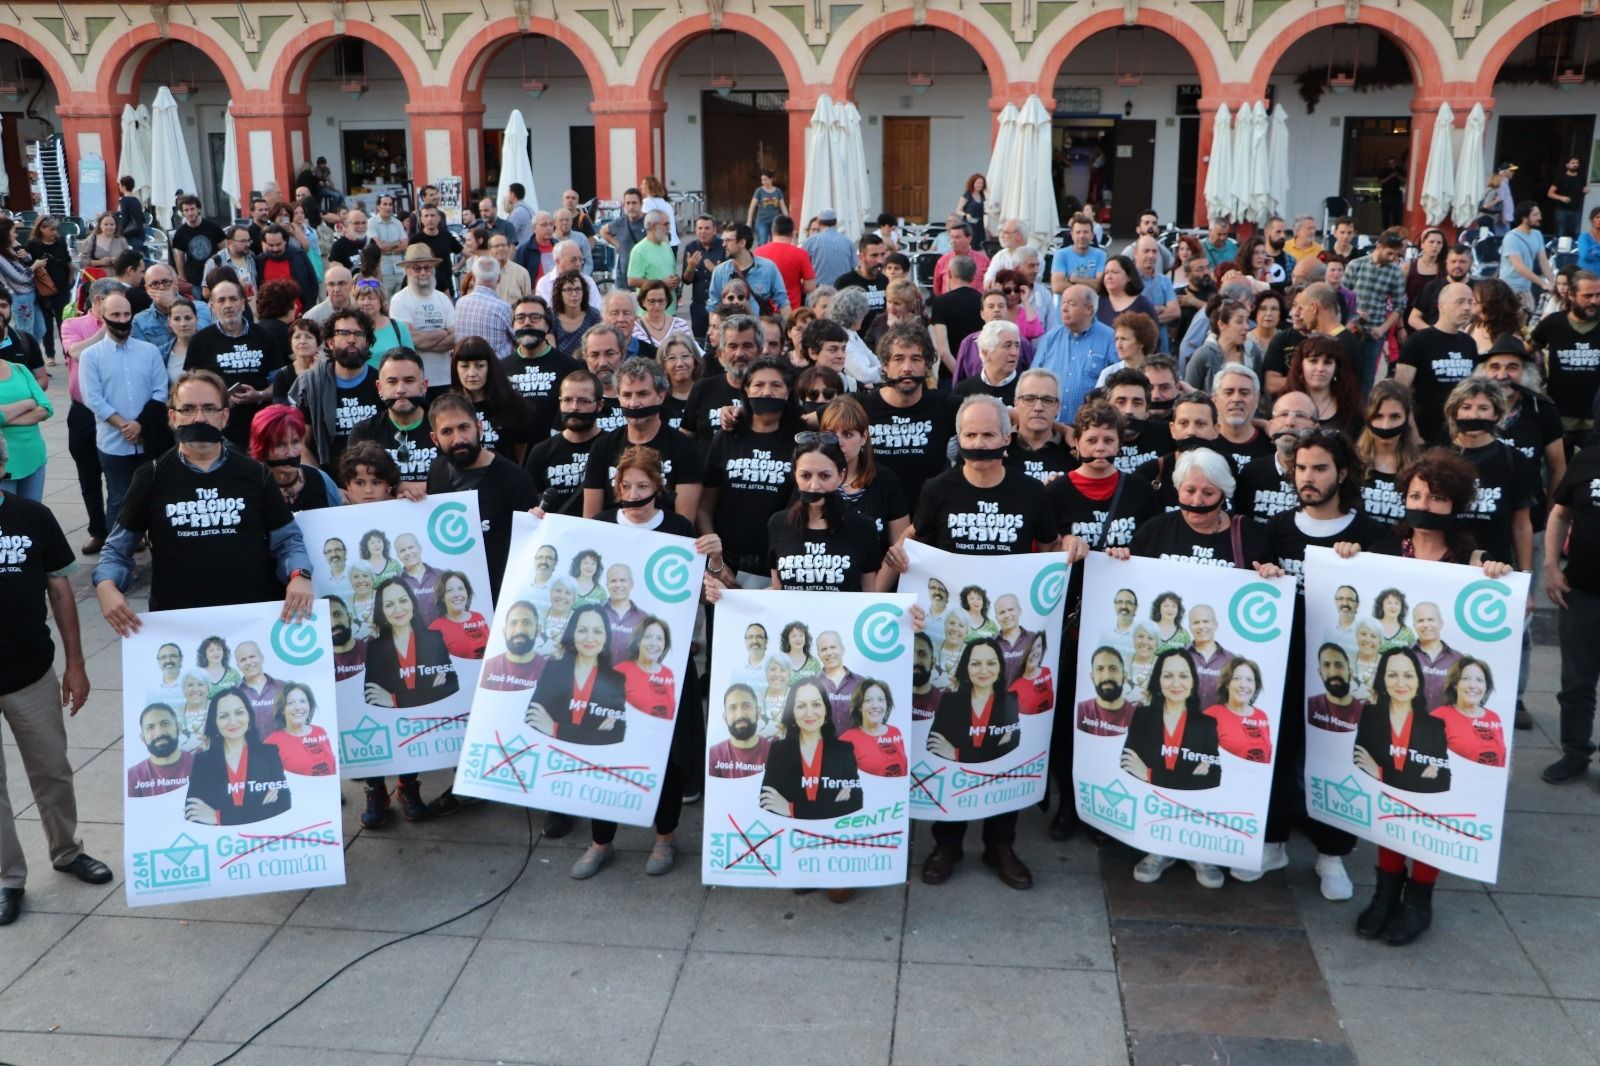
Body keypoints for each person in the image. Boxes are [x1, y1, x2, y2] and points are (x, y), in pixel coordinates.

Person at [883, 394, 1083, 890]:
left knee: (1003, 735)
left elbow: (1051, 546)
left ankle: (1000, 843)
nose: (979, 445)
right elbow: (913, 540)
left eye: (988, 435)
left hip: (1009, 644)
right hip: (953, 642)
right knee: (953, 732)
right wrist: (900, 555)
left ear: (1006, 438)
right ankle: (945, 843)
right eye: (970, 436)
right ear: (959, 441)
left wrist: (1072, 547)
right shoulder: (937, 489)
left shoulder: (1032, 493)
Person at [92, 370, 315, 630]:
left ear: (225, 416)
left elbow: (288, 540)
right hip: (179, 625)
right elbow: (117, 550)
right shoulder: (150, 477)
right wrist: (106, 586)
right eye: (188, 409)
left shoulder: (255, 474)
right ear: (173, 417)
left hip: (251, 622)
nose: (199, 418)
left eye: (209, 408)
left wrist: (300, 575)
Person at [0, 430, 106, 926]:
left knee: (53, 771)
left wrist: (77, 665)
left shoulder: (33, 516)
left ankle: (66, 851)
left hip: (30, 673)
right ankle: (7, 879)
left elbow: (62, 594)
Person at [1122, 649, 1224, 884]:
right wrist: (1186, 778)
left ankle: (1198, 854)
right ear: (1157, 680)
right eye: (1168, 675)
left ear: (1192, 681)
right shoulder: (1142, 716)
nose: (1176, 683)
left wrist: (1150, 773)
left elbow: (1212, 780)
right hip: (1152, 810)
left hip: (1195, 816)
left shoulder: (1207, 724)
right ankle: (1159, 850)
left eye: (1183, 676)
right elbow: (1128, 765)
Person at [182, 686, 292, 827]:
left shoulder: (269, 754)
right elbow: (193, 814)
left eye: (239, 712)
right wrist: (259, 810)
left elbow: (282, 805)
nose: (232, 721)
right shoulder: (203, 762)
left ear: (249, 716)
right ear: (214, 722)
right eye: (223, 716)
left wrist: (218, 817)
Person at [759, 677, 863, 820]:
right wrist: (832, 807)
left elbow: (855, 804)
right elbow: (767, 803)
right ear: (793, 712)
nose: (809, 712)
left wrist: (791, 809)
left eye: (816, 704)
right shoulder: (779, 751)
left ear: (826, 709)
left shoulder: (844, 751)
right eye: (801, 706)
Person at [1032, 285, 1116, 417]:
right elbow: (1033, 377)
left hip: (1089, 424)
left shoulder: (1110, 338)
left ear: (1089, 309)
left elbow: (1116, 383)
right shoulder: (1051, 337)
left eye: (1071, 304)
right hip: (1051, 424)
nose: (1064, 308)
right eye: (1063, 303)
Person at [449, 336, 534, 462]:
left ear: (490, 367)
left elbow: (519, 452)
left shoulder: (512, 405)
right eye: (464, 366)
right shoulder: (449, 408)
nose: (472, 373)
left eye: (480, 366)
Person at [1342, 230, 1406, 394]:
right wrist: (1355, 312)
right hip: (1351, 328)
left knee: (1367, 376)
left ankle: (1362, 412)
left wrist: (1383, 329)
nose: (1392, 258)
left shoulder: (1395, 272)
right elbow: (1342, 296)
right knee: (1345, 372)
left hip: (1375, 331)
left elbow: (1399, 305)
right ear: (1378, 246)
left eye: (1396, 254)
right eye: (1389, 253)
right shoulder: (1356, 265)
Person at [388, 245, 457, 387]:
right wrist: (443, 332)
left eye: (428, 267)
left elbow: (456, 337)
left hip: (445, 379)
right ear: (407, 270)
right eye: (417, 268)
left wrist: (422, 339)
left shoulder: (443, 299)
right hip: (415, 382)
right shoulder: (399, 300)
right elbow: (409, 339)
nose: (423, 272)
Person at [1431, 657, 1506, 767]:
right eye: (1465, 678)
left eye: (1479, 680)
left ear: (1486, 686)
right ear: (1455, 684)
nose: (1472, 685)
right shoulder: (1439, 716)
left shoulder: (1494, 717)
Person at [263, 681, 335, 777]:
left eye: (302, 701)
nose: (298, 707)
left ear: (309, 705)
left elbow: (333, 768)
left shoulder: (320, 731)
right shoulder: (272, 741)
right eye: (291, 703)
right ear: (282, 709)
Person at [127, 703, 195, 798]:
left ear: (178, 728)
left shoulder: (201, 765)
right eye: (150, 727)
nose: (159, 733)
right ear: (143, 738)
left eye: (165, 724)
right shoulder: (132, 777)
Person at [710, 683, 772, 779]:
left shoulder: (774, 753)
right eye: (732, 708)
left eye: (746, 706)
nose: (740, 715)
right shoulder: (713, 755)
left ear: (758, 713)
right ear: (725, 718)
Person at [428, 571, 489, 660]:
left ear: (467, 592)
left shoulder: (478, 617)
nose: (456, 594)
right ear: (442, 597)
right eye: (449, 590)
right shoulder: (435, 628)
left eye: (460, 589)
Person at [1076, 646, 1135, 736]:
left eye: (1113, 669)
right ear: (1092, 678)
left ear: (1124, 677)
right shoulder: (1080, 711)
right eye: (1100, 669)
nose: (1107, 676)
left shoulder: (1137, 715)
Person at [957, 173, 988, 247]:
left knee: (980, 245)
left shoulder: (983, 195)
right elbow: (958, 210)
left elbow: (984, 209)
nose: (980, 185)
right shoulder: (967, 195)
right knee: (970, 245)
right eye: (978, 183)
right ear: (972, 183)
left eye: (981, 183)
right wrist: (966, 214)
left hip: (979, 225)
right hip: (969, 225)